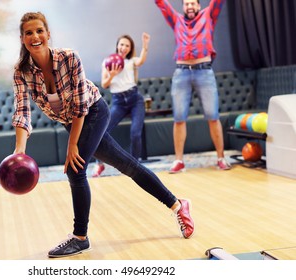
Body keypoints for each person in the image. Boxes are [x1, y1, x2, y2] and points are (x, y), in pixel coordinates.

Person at [12, 12, 194, 258]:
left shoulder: (69, 58)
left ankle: (80, 237)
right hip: (71, 122)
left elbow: (80, 106)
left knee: (76, 169)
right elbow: (22, 112)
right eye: (28, 33)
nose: (35, 37)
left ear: (48, 34)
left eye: (39, 31)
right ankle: (178, 204)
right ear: (22, 38)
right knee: (127, 164)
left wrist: (72, 145)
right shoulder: (21, 71)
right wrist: (19, 151)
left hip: (93, 112)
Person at [154, 0, 231, 173]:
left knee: (213, 116)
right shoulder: (176, 20)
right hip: (181, 73)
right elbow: (162, 4)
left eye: (193, 3)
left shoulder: (209, 15)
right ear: (183, 6)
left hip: (204, 71)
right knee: (179, 118)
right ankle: (179, 161)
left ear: (198, 5)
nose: (190, 6)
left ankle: (221, 158)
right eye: (186, 3)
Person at [92, 33, 150, 177]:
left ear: (130, 49)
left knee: (135, 133)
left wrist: (145, 45)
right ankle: (100, 164)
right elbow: (104, 84)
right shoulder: (108, 61)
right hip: (119, 102)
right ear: (117, 46)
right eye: (122, 44)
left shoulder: (131, 62)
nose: (124, 47)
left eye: (127, 46)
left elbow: (141, 60)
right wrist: (112, 74)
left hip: (135, 99)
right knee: (101, 132)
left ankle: (135, 166)